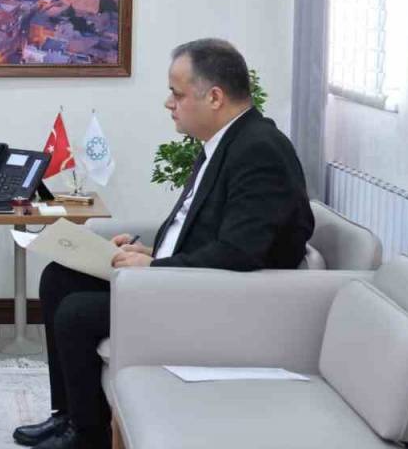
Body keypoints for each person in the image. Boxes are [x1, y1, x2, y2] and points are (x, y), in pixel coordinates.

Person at [16, 38, 315, 449]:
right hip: (180, 276)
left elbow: (240, 252)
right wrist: (150, 254)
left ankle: (90, 437)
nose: (168, 103)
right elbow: (206, 231)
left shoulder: (260, 151)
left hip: (217, 300)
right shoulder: (224, 142)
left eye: (176, 93)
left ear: (214, 96)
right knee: (59, 277)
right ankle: (68, 414)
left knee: (78, 312)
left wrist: (156, 270)